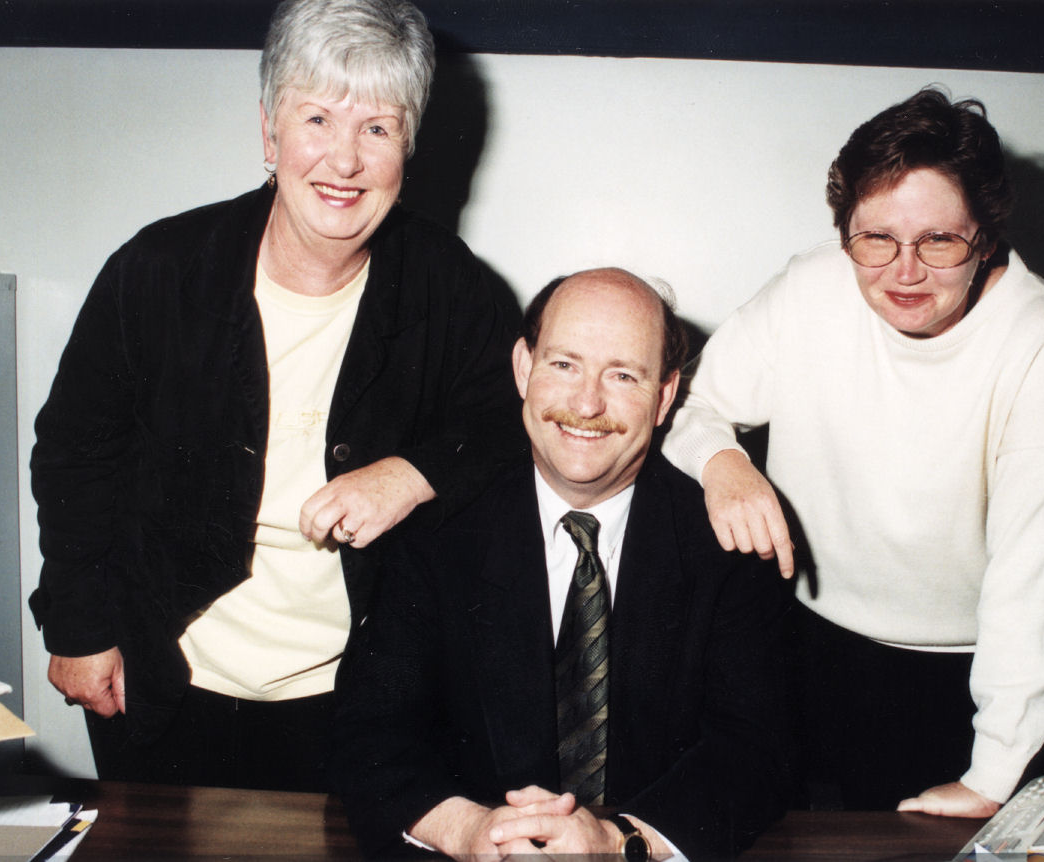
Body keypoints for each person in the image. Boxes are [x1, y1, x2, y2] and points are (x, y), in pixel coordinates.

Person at [28, 0, 524, 791]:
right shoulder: (160, 270)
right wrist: (79, 628)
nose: (345, 160)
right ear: (269, 132)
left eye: (378, 128)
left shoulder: (454, 288)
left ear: (410, 145)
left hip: (360, 695)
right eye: (317, 118)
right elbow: (75, 454)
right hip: (164, 676)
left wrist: (412, 472)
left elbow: (510, 422)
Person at [662, 87, 1044, 818]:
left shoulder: (1037, 334)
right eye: (874, 238)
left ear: (983, 234)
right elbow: (686, 406)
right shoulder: (810, 285)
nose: (903, 271)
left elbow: (1033, 580)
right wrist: (723, 464)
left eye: (938, 241)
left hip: (964, 675)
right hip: (803, 642)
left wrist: (990, 775)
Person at [331, 268, 792, 860]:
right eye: (564, 364)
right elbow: (371, 731)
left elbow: (756, 750)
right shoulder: (434, 532)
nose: (587, 403)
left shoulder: (726, 540)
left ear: (666, 396)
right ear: (523, 369)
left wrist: (620, 840)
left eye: (623, 375)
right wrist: (471, 832)